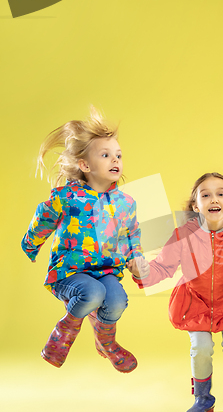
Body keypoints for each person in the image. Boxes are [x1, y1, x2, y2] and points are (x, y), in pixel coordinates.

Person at [129, 172, 223, 412]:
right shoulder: (183, 234)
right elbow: (163, 267)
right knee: (200, 348)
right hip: (196, 305)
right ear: (196, 206)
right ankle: (202, 399)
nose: (213, 199)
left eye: (220, 193)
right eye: (206, 195)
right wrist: (144, 272)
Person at [21, 107, 145, 373]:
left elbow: (132, 235)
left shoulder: (125, 203)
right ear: (85, 165)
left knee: (116, 300)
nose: (115, 160)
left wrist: (137, 262)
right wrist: (31, 243)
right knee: (92, 293)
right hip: (70, 272)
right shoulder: (66, 197)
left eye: (118, 155)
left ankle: (106, 342)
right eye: (106, 154)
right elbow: (44, 217)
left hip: (106, 271)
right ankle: (65, 330)